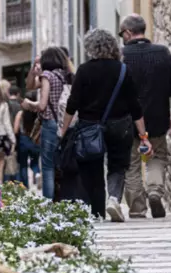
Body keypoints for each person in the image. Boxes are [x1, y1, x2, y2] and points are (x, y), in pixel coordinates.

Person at [61, 29, 152, 221]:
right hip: (120, 125)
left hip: (89, 126)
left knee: (92, 166)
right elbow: (135, 105)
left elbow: (73, 103)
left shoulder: (84, 70)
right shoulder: (122, 69)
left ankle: (97, 210)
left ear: (90, 47)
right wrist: (143, 136)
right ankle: (113, 199)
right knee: (117, 165)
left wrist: (63, 130)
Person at [120, 14, 171, 219]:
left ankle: (137, 208)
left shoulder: (122, 56)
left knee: (132, 163)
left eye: (122, 34)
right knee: (156, 157)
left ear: (128, 33)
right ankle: (155, 191)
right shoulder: (163, 53)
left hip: (127, 121)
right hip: (157, 118)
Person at [22, 47, 71, 199]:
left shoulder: (47, 76)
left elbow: (42, 105)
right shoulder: (66, 75)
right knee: (62, 163)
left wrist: (29, 104)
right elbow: (30, 84)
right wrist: (33, 69)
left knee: (48, 166)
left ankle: (49, 203)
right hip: (66, 124)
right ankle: (65, 198)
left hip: (50, 123)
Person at [13, 90, 41, 188]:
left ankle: (25, 186)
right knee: (35, 162)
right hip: (35, 141)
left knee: (23, 165)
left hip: (23, 140)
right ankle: (37, 174)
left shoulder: (20, 114)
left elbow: (16, 130)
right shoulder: (38, 114)